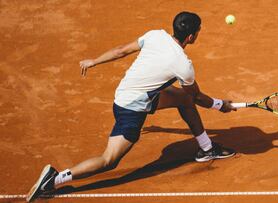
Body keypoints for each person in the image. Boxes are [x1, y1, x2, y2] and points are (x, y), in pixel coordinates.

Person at [26, 11, 237, 202]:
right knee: (109, 160)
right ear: (191, 38)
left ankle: (207, 148)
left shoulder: (155, 35)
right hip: (132, 109)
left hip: (123, 95)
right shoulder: (183, 65)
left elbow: (121, 51)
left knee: (183, 99)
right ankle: (54, 180)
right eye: (199, 31)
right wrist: (221, 105)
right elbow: (198, 96)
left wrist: (94, 61)